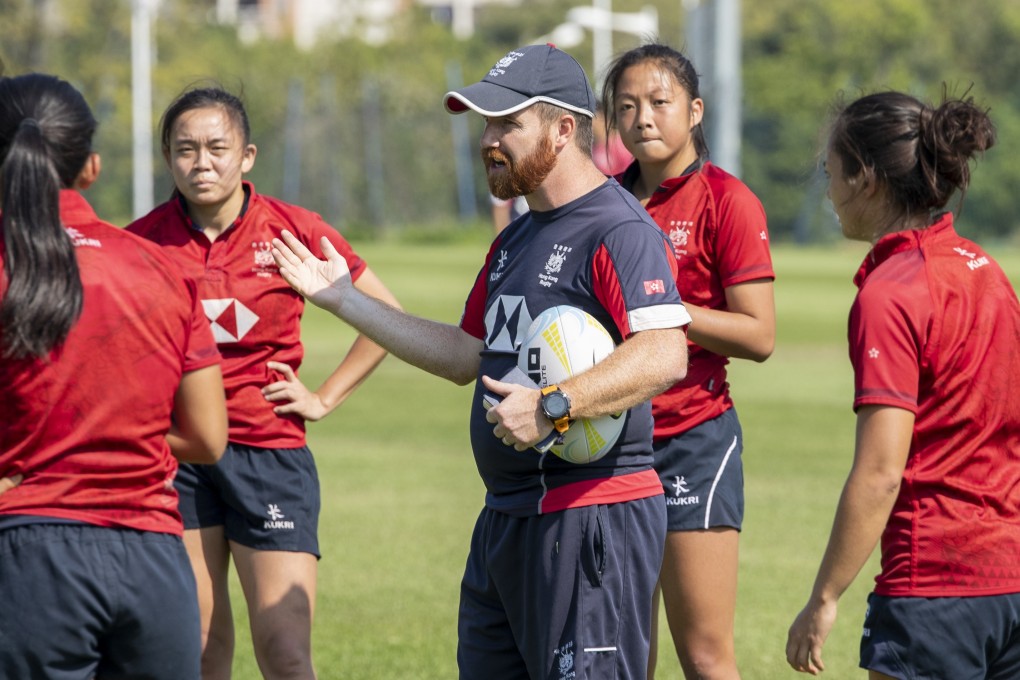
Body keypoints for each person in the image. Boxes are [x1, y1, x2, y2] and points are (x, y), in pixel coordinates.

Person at [272, 43, 692, 680]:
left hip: (588, 519)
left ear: (563, 129)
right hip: (507, 520)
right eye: (485, 124)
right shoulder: (515, 239)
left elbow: (666, 354)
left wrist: (556, 407)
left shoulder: (619, 230)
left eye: (507, 125)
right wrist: (345, 301)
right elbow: (466, 354)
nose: (489, 140)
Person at [127, 86, 400, 680]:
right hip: (179, 460)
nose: (202, 162)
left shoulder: (293, 229)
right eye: (185, 149)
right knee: (197, 649)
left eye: (217, 148)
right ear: (167, 157)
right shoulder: (141, 244)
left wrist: (324, 396)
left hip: (269, 454)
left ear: (247, 156)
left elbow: (385, 317)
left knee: (285, 652)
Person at [786, 89, 1020, 678]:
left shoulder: (892, 293)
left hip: (935, 590)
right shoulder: (988, 272)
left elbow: (881, 472)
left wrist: (824, 597)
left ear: (865, 178)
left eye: (831, 170)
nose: (830, 187)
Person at [0, 73, 227, 679]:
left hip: (34, 557)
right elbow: (208, 437)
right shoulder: (163, 268)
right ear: (91, 167)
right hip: (155, 562)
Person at [600, 43, 775, 680]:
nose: (642, 118)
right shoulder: (602, 204)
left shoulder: (728, 201)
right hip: (610, 440)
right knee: (620, 652)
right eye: (626, 106)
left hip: (691, 442)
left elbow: (759, 335)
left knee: (703, 654)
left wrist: (664, 310)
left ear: (695, 111)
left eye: (658, 102)